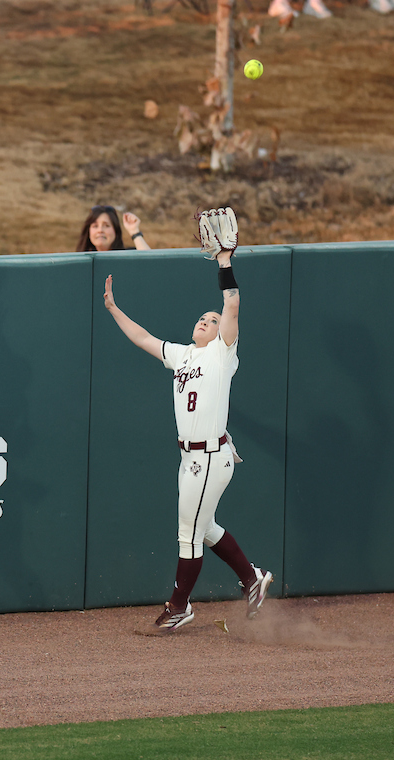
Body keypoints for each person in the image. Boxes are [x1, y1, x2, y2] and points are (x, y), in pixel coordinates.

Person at [101, 210, 273, 634]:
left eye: (212, 320)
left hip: (211, 456)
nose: (206, 320)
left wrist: (224, 261)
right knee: (205, 526)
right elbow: (143, 338)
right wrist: (112, 309)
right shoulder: (183, 354)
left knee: (188, 533)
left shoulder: (222, 353)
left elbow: (231, 302)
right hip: (192, 459)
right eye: (203, 317)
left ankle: (180, 606)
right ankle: (252, 580)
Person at [76, 205, 152, 252]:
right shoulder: (80, 262)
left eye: (106, 226)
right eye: (95, 226)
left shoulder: (129, 256)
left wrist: (134, 231)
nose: (100, 230)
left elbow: (151, 263)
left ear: (115, 230)